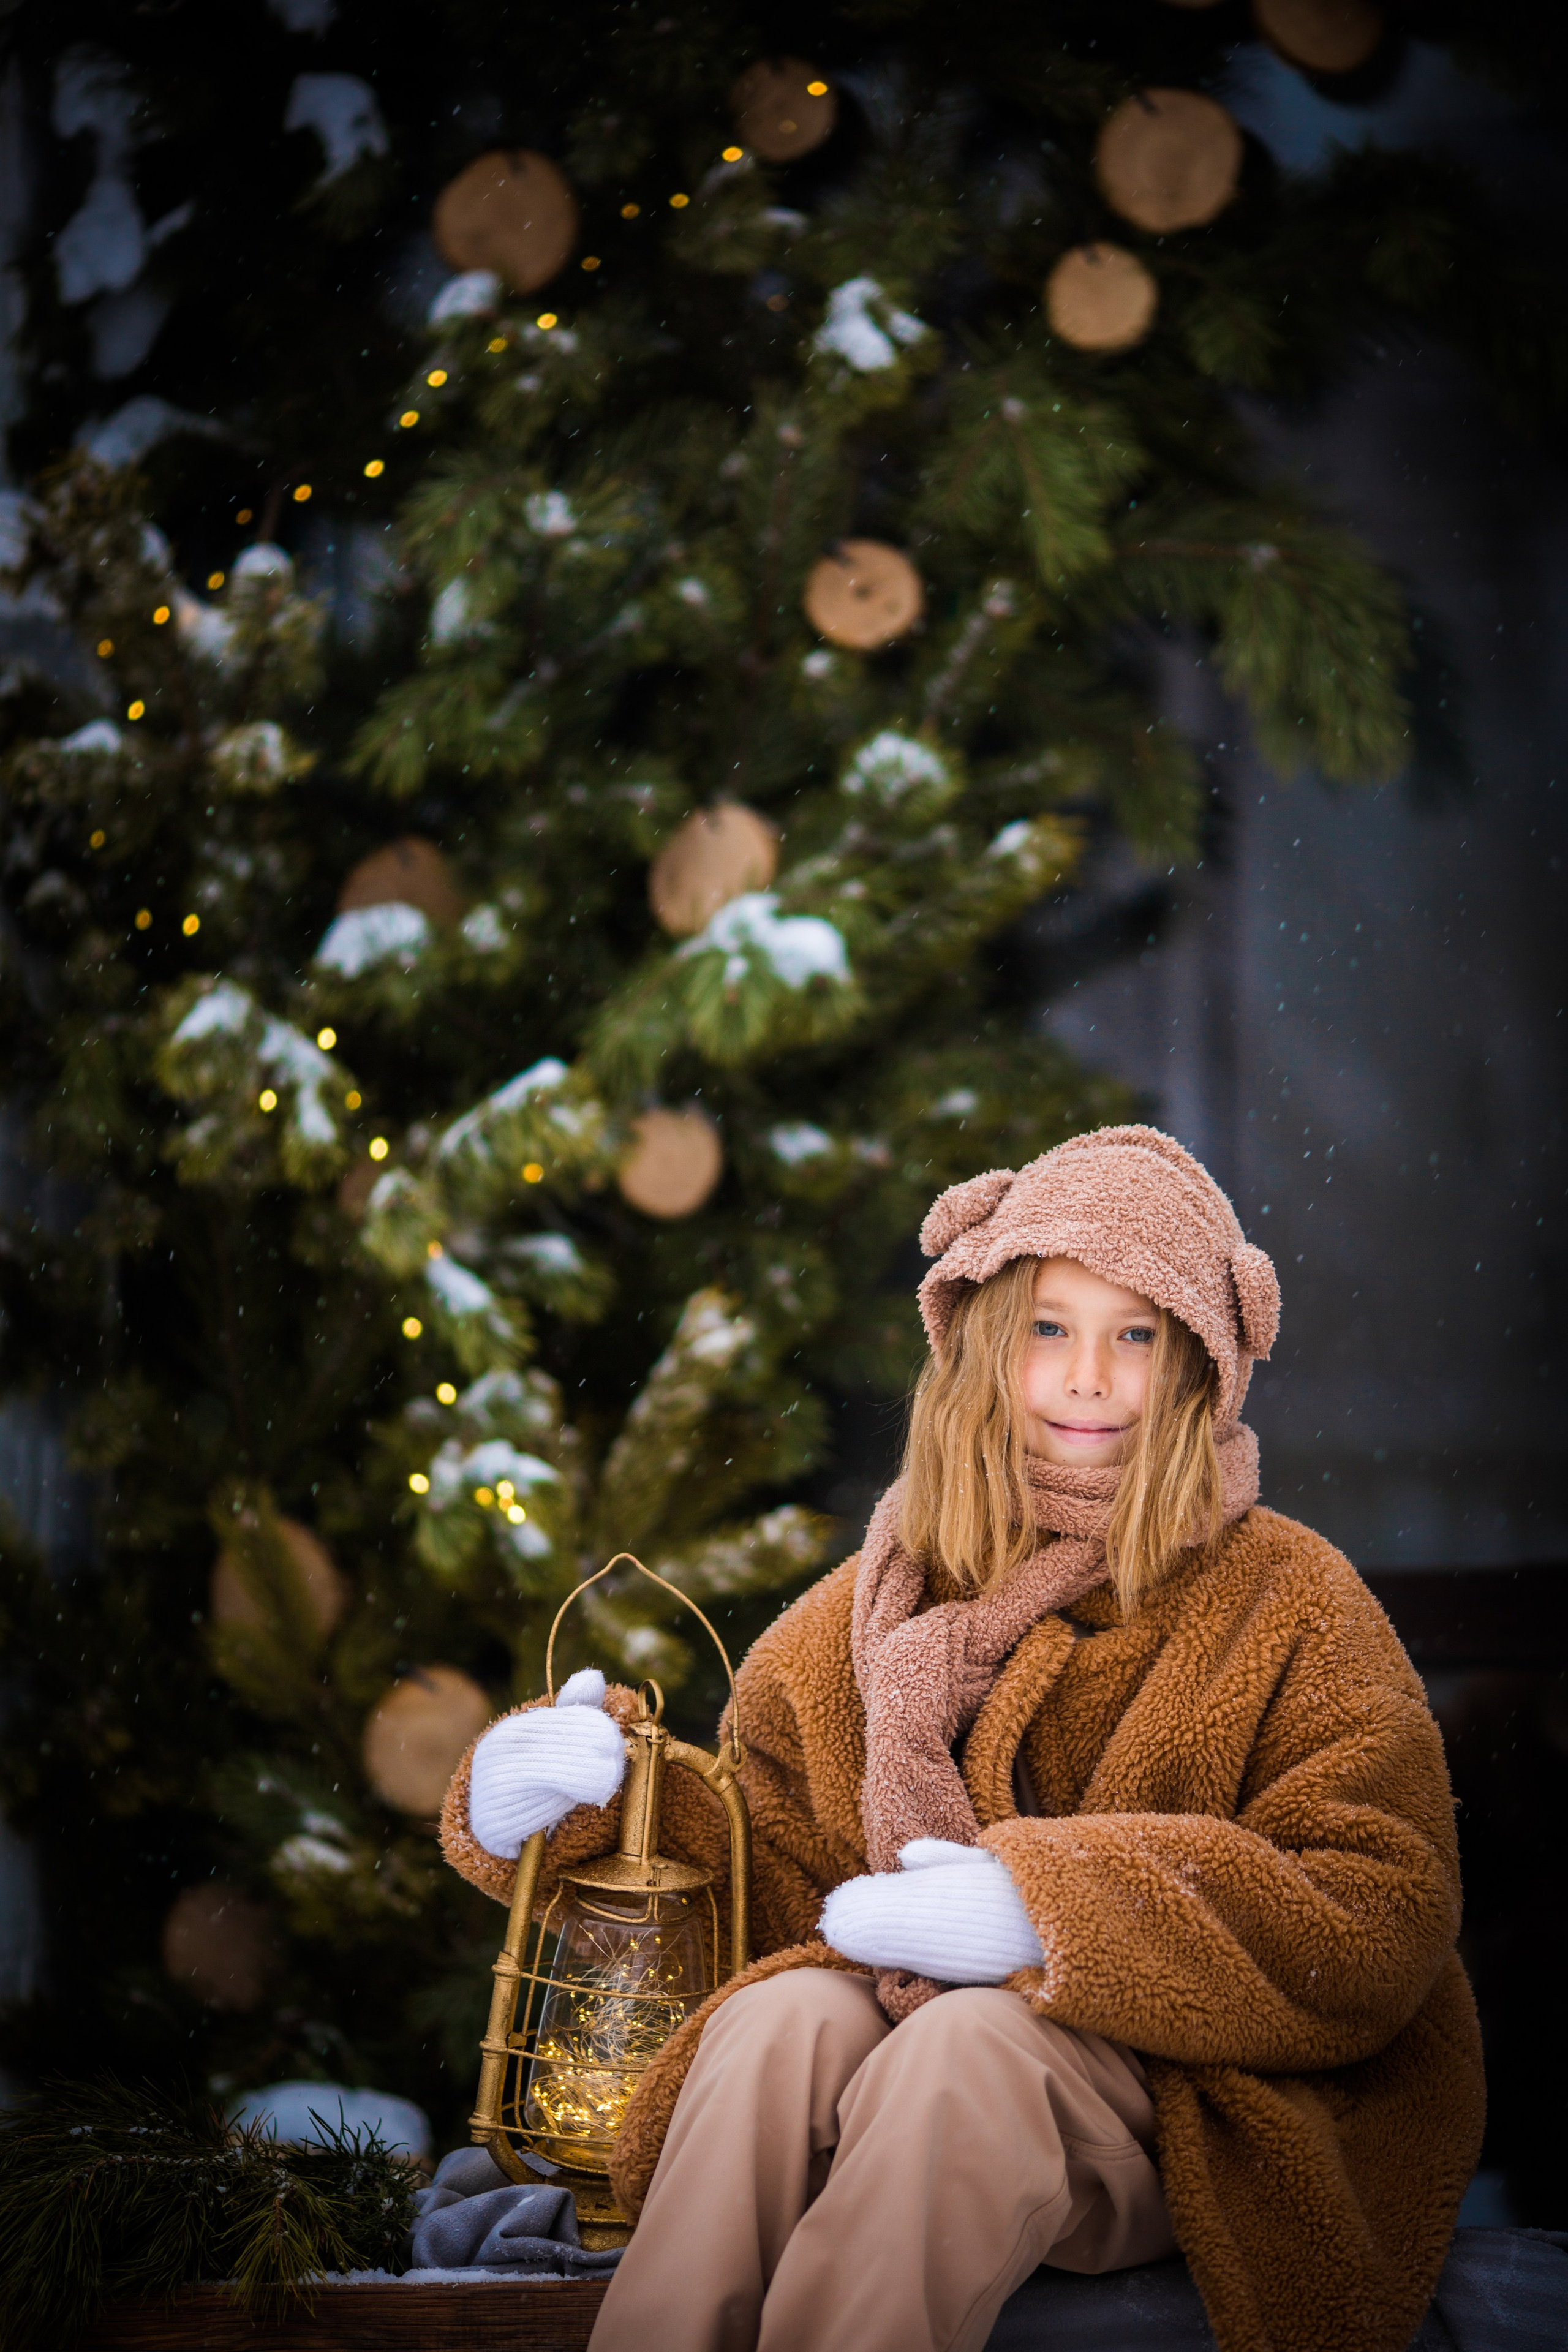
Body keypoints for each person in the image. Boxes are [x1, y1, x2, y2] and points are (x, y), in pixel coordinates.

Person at [440, 1125, 1484, 2352]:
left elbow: (1377, 1908)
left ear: (1202, 1361)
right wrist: (593, 1805)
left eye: (1134, 1335)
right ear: (983, 1344)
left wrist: (1048, 1915)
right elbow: (771, 1875)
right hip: (904, 2036)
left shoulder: (1287, 1598)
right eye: (1048, 1328)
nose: (1087, 1376)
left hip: (1192, 2101)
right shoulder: (874, 1604)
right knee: (775, 2028)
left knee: (972, 2047)